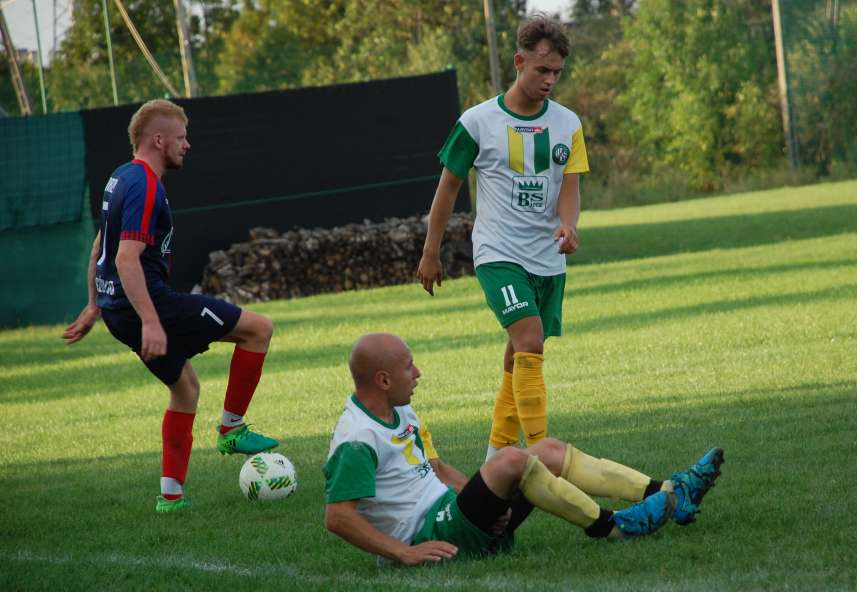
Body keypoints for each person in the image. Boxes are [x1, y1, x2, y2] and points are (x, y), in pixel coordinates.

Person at [324, 333, 724, 564]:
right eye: (409, 366)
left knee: (545, 450)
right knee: (512, 460)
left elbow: (438, 470)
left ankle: (671, 492)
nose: (418, 373)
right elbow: (339, 517)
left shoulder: (401, 410)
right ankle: (615, 527)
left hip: (456, 518)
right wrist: (403, 554)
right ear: (382, 380)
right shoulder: (358, 438)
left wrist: (487, 506)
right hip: (428, 535)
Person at [62, 99, 279, 513]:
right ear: (158, 140)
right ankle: (232, 430)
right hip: (148, 305)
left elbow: (98, 249)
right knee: (258, 329)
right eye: (181, 137)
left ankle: (171, 497)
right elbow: (125, 258)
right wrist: (152, 322)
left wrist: (94, 306)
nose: (187, 145)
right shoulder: (144, 183)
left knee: (185, 388)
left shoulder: (120, 177)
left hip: (116, 311)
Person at [417, 15, 588, 460]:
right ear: (519, 61)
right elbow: (448, 188)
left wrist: (569, 226)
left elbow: (569, 188)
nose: (549, 80)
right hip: (498, 254)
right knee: (529, 339)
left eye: (556, 73)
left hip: (548, 261)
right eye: (541, 70)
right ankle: (540, 456)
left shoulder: (568, 124)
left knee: (518, 356)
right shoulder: (477, 122)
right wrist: (430, 251)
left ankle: (496, 458)